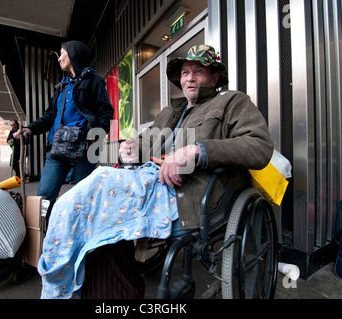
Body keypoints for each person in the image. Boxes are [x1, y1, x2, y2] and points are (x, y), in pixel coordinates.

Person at [37, 45, 274, 299]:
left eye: (198, 71)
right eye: (184, 73)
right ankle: (81, 285)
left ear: (215, 77)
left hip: (186, 191)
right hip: (147, 179)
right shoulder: (172, 111)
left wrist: (197, 150)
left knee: (93, 196)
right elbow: (146, 142)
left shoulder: (232, 102)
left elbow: (260, 147)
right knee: (80, 205)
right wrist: (131, 148)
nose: (189, 78)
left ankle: (67, 286)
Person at [13, 41, 114, 215]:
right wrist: (30, 129)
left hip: (85, 150)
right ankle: (44, 232)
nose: (59, 59)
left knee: (84, 197)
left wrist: (97, 138)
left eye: (62, 54)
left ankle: (80, 236)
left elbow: (106, 112)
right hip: (57, 147)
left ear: (73, 55)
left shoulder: (93, 81)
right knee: (44, 197)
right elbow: (48, 117)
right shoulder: (61, 86)